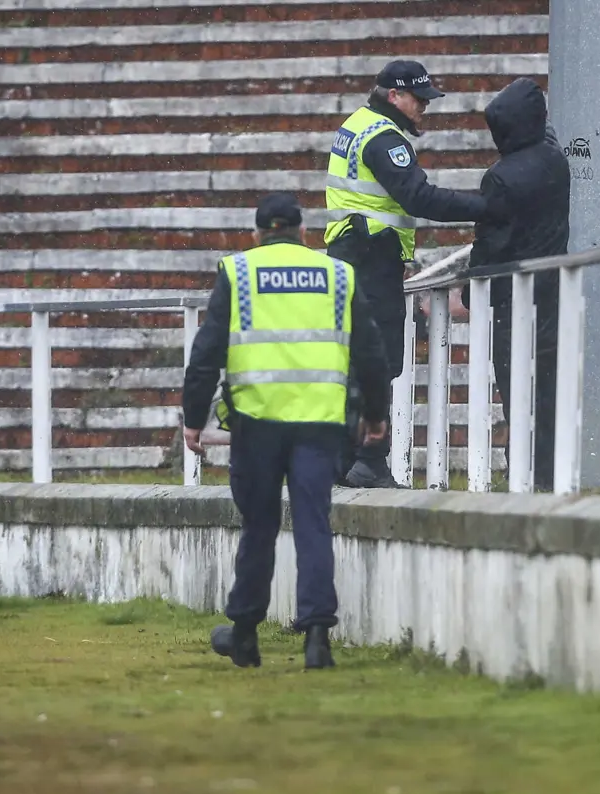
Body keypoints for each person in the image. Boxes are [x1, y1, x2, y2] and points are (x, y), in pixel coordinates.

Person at [181, 193, 390, 670]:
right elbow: (371, 351)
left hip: (257, 424)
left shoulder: (237, 273)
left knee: (259, 527)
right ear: (303, 233)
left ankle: (246, 634)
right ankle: (317, 636)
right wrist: (375, 414)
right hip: (320, 423)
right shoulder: (338, 274)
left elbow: (207, 351)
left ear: (256, 236)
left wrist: (194, 418)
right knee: (314, 523)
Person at [324, 59, 490, 489]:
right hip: (370, 259)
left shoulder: (356, 124)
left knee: (355, 362)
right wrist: (484, 207)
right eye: (419, 99)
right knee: (378, 361)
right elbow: (418, 197)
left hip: (350, 257)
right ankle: (370, 460)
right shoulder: (384, 138)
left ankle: (343, 462)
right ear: (394, 96)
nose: (424, 108)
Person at [461, 77, 571, 492]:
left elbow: (490, 240)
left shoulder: (501, 177)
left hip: (512, 299)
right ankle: (547, 474)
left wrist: (472, 290)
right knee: (548, 391)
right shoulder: (556, 162)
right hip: (552, 292)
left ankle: (520, 471)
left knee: (515, 391)